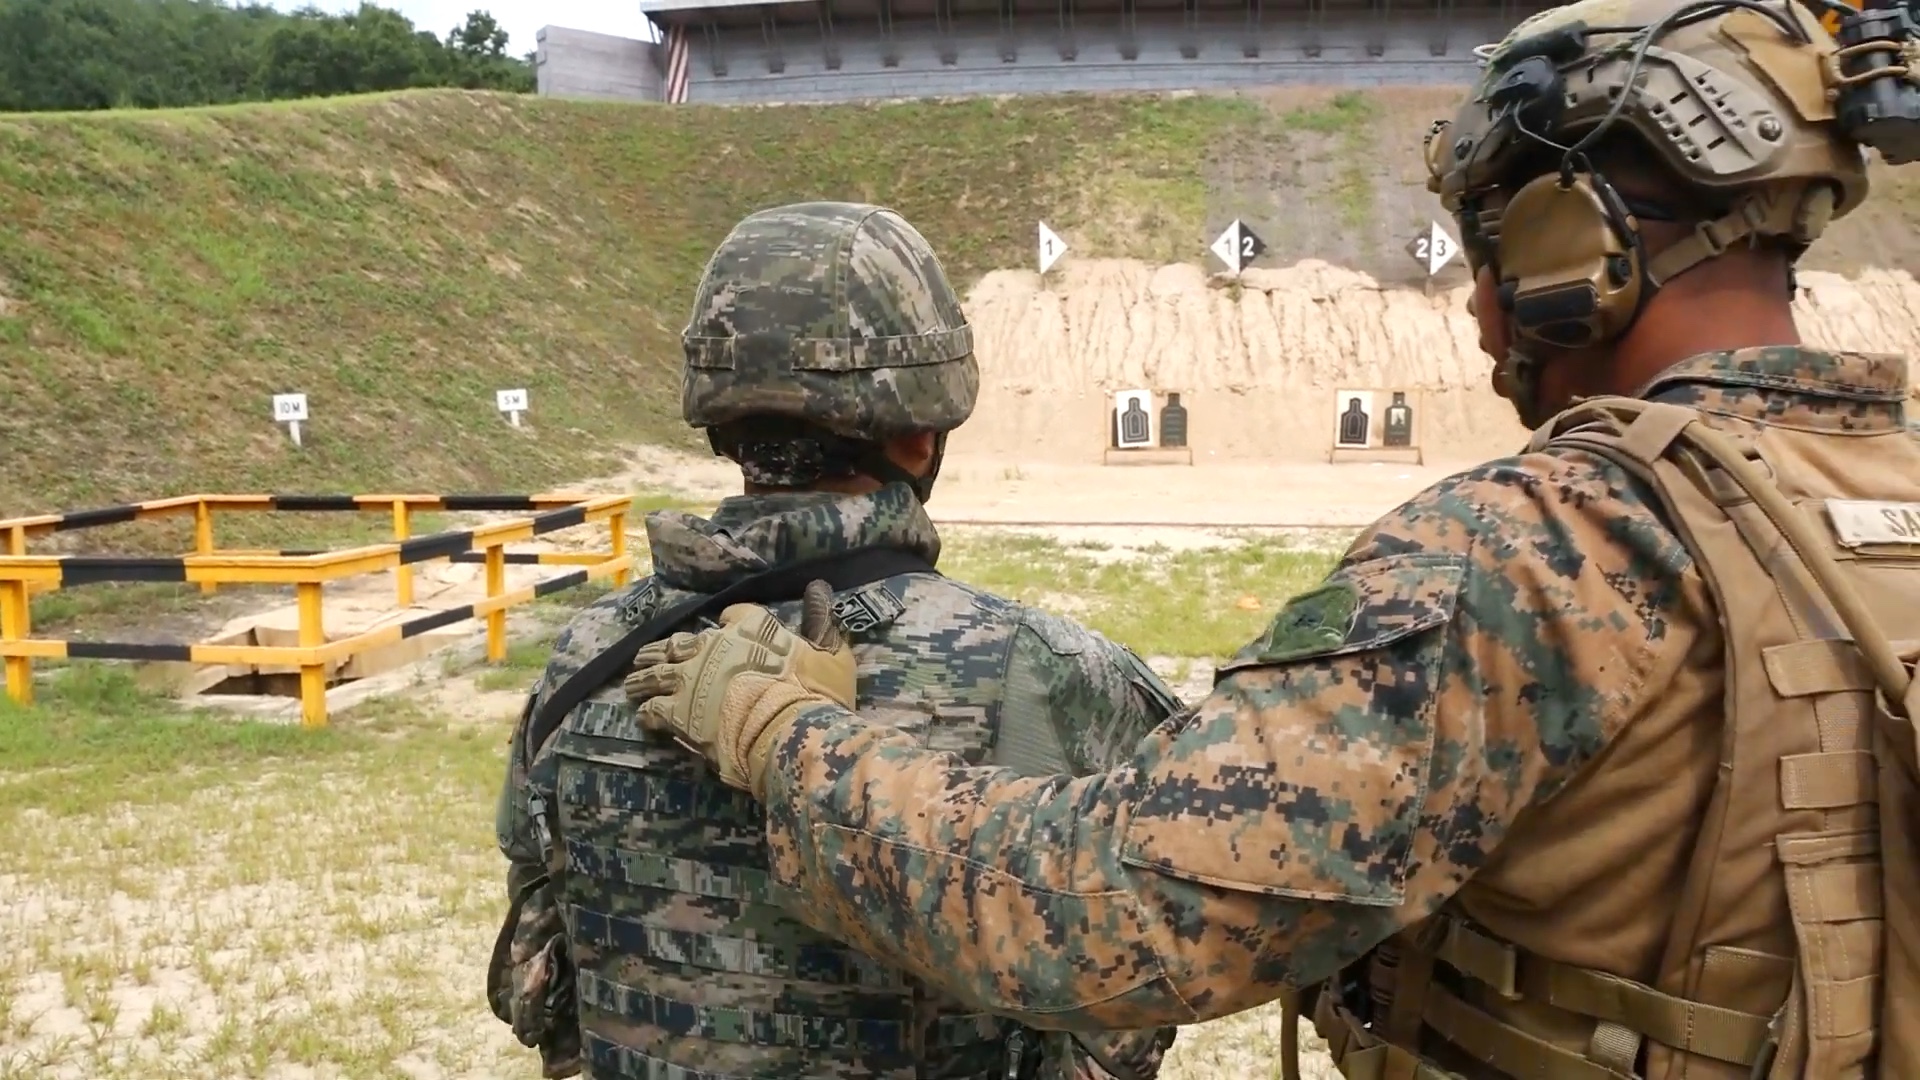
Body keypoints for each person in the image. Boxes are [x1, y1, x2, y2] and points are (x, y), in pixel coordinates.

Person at [619, 4, 1920, 1078]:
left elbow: (1106, 918)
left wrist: (780, 732)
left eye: (1482, 250)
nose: (1475, 309)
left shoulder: (1534, 553)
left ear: (1564, 244)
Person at [485, 200, 1184, 1080]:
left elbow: (535, 981)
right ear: (925, 431)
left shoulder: (588, 656)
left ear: (721, 420)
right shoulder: (1042, 671)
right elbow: (1155, 967)